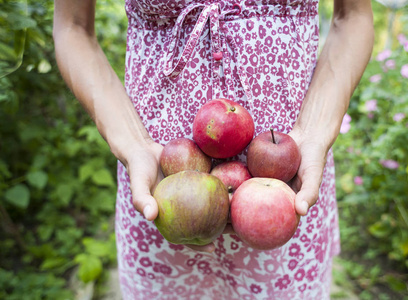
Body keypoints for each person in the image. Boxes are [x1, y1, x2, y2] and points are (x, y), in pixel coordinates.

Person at [53, 0, 373, 298]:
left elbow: (352, 17)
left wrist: (316, 131)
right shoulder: (152, 172)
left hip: (288, 186)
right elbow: (73, 28)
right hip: (161, 186)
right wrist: (133, 145)